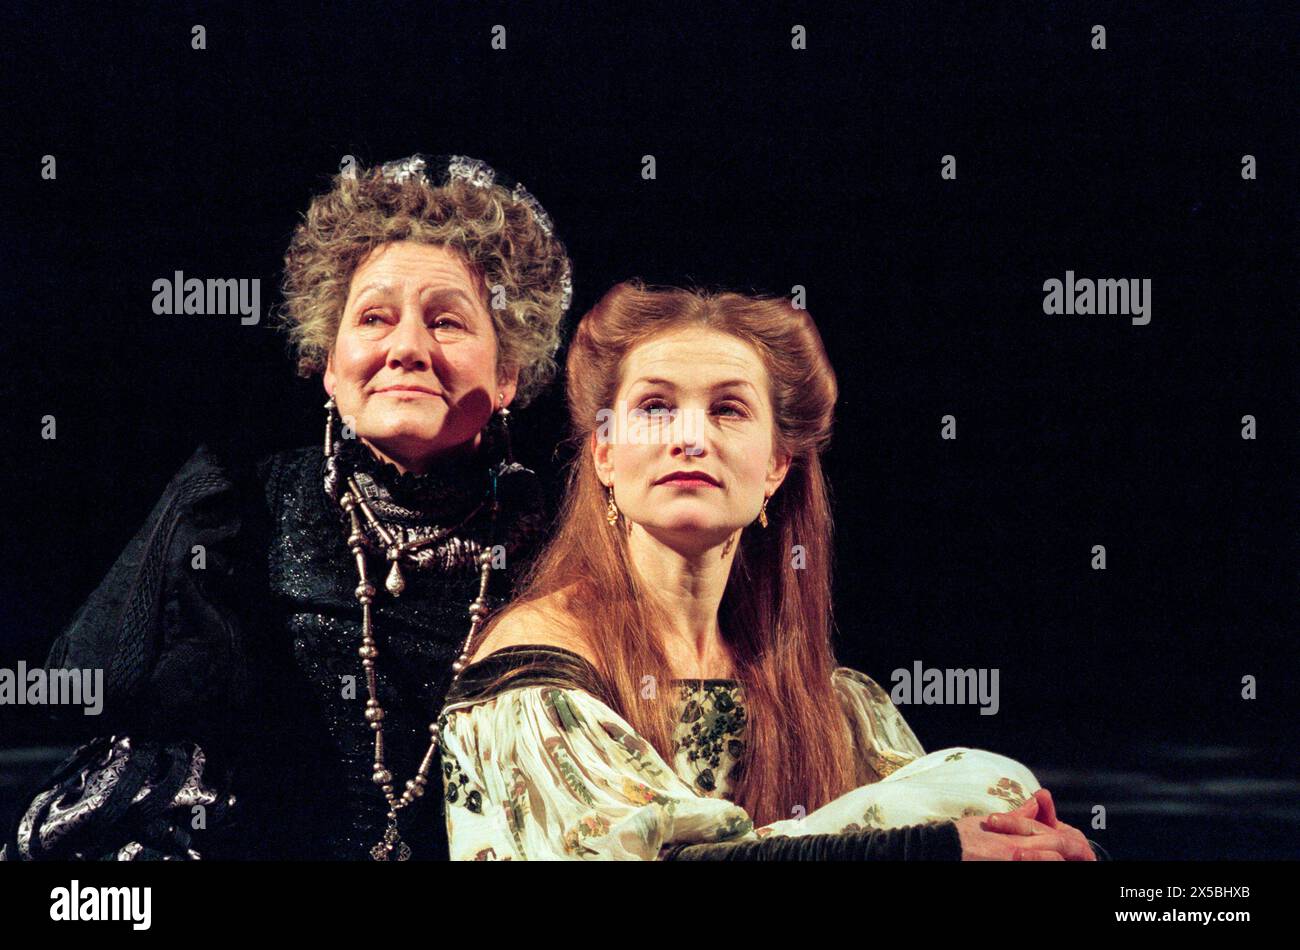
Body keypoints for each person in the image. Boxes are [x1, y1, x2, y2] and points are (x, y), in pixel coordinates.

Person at [3, 154, 572, 861]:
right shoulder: (240, 506)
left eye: (448, 322)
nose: (407, 349)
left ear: (509, 369)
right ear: (330, 365)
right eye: (374, 318)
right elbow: (96, 691)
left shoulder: (566, 531)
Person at [433, 281, 1102, 861]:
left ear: (776, 467)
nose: (689, 436)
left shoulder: (829, 702)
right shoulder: (536, 670)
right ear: (606, 456)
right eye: (655, 407)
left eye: (727, 409)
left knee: (995, 784)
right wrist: (927, 850)